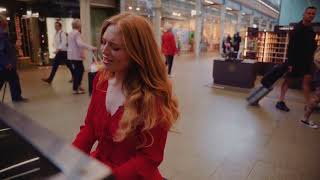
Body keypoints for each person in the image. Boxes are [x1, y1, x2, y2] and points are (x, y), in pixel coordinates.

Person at [72, 13, 179, 179]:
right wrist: (70, 158)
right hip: (99, 166)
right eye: (103, 42)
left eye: (115, 48)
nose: (104, 51)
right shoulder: (101, 80)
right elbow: (90, 127)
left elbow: (149, 159)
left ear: (137, 53)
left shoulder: (152, 96)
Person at [276, 6, 317, 112]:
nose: (311, 15)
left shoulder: (311, 30)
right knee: (288, 80)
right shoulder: (297, 29)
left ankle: (309, 105)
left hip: (307, 62)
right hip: (295, 61)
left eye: (313, 14)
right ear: (303, 14)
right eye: (309, 13)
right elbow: (291, 47)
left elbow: (311, 47)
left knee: (306, 82)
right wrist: (290, 63)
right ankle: (280, 101)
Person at [0, 15, 27, 102]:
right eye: (5, 21)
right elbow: (1, 51)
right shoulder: (1, 34)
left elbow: (6, 47)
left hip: (7, 63)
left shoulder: (3, 33)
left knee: (13, 79)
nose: (7, 22)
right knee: (11, 79)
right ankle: (16, 97)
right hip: (6, 64)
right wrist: (6, 63)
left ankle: (16, 97)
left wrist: (14, 46)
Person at [67, 19, 96, 94]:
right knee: (79, 71)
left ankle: (78, 86)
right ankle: (75, 89)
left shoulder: (70, 33)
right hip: (76, 55)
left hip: (72, 55)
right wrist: (91, 47)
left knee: (80, 70)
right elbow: (80, 44)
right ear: (79, 26)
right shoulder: (77, 33)